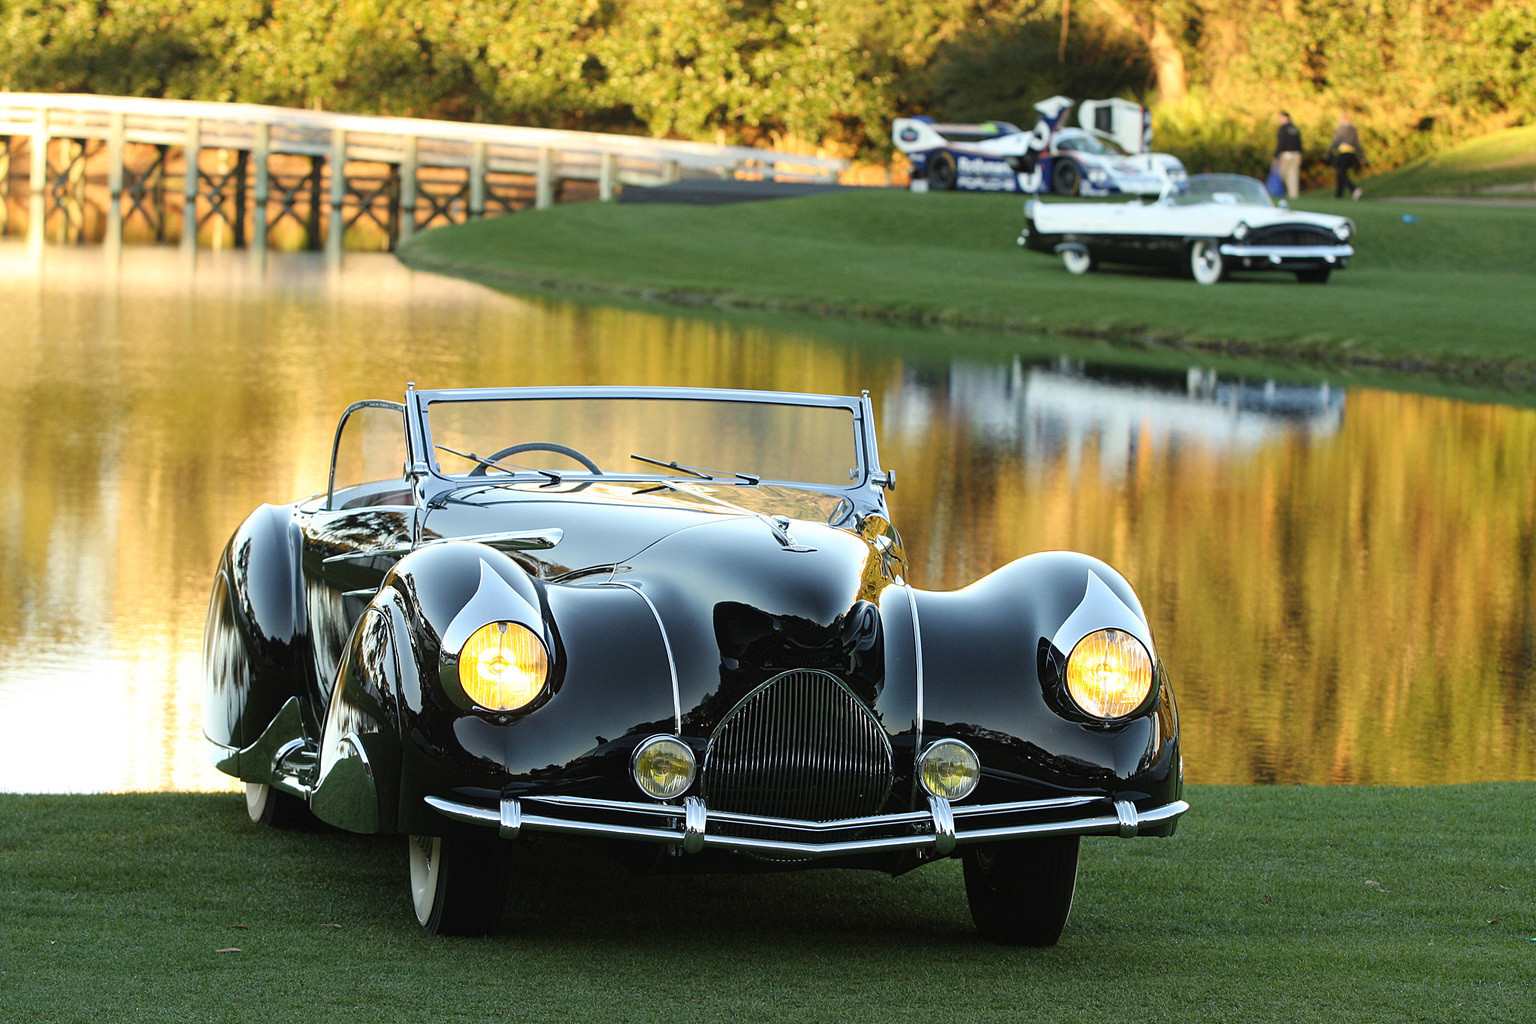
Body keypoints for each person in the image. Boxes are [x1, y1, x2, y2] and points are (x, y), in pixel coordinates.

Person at [1327, 113, 1366, 200]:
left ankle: (1354, 189)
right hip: (1351, 154)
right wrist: (1361, 156)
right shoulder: (1353, 130)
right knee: (1341, 173)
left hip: (1343, 153)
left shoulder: (1341, 129)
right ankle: (1339, 195)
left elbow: (1336, 141)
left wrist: (1328, 152)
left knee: (1342, 173)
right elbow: (1357, 144)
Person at [1275, 111, 1303, 199]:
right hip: (1296, 154)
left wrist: (1276, 155)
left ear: (1285, 118)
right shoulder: (1295, 128)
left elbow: (1281, 143)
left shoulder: (1283, 129)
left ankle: (1291, 194)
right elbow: (1300, 142)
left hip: (1286, 154)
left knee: (1284, 173)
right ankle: (1293, 194)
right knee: (1293, 174)